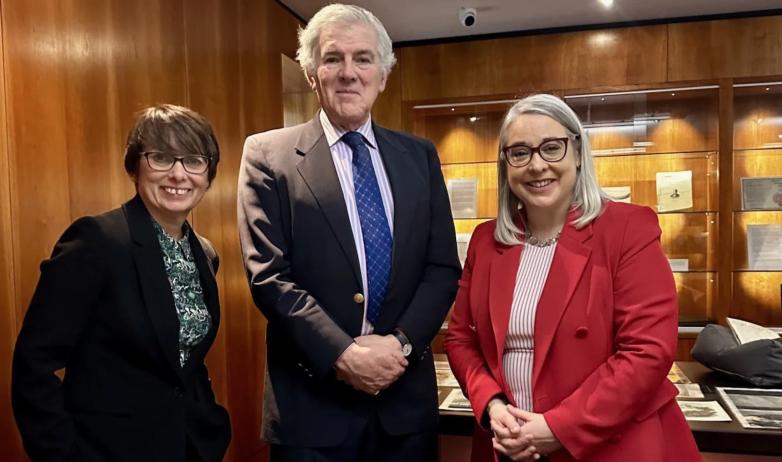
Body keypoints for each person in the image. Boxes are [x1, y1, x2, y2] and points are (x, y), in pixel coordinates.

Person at [237, 4, 460, 461]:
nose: (348, 73)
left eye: (363, 58)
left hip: (404, 410)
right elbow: (269, 276)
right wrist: (342, 353)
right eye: (333, 58)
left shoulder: (419, 157)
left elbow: (441, 268)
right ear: (311, 74)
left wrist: (400, 345)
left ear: (383, 74)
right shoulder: (267, 156)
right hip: (312, 410)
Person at [444, 94, 701, 462]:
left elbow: (646, 352)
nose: (537, 165)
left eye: (552, 148)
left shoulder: (628, 229)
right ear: (505, 164)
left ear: (578, 153)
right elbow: (460, 339)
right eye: (520, 152)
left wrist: (558, 428)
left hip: (606, 445)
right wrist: (492, 405)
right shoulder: (486, 241)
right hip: (507, 444)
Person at [12, 104, 231, 462]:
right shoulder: (96, 241)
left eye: (194, 160)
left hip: (189, 447)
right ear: (134, 167)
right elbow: (33, 365)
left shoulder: (203, 252)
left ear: (208, 176)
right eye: (161, 157)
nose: (178, 174)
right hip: (109, 450)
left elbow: (183, 362)